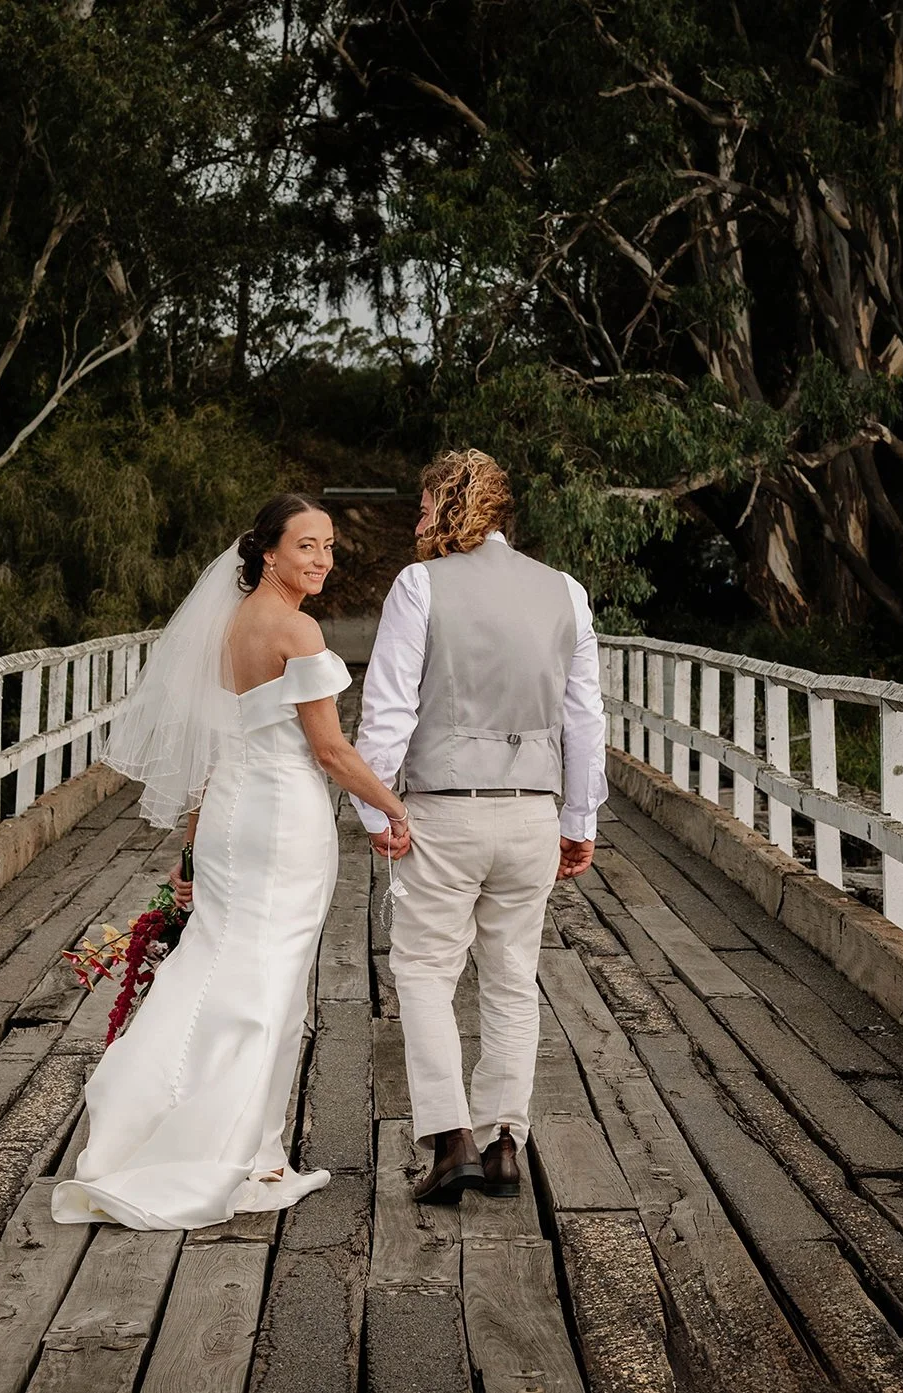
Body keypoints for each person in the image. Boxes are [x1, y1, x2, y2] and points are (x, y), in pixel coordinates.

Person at [53, 494, 412, 1230]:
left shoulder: (228, 628)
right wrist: (396, 807)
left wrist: (191, 840)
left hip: (228, 816)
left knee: (215, 966)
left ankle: (227, 1141)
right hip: (280, 817)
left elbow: (215, 743)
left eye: (330, 546)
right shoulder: (296, 628)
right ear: (269, 552)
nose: (322, 559)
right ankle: (244, 1155)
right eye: (307, 545)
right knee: (269, 984)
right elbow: (331, 750)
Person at [352, 449, 607, 1204]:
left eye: (426, 503)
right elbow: (585, 719)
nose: (418, 519)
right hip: (531, 811)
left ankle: (450, 1137)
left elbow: (389, 708)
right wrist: (578, 816)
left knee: (426, 970)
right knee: (511, 978)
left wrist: (378, 806)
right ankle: (504, 1145)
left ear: (453, 502)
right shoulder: (566, 591)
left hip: (444, 809)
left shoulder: (419, 586)